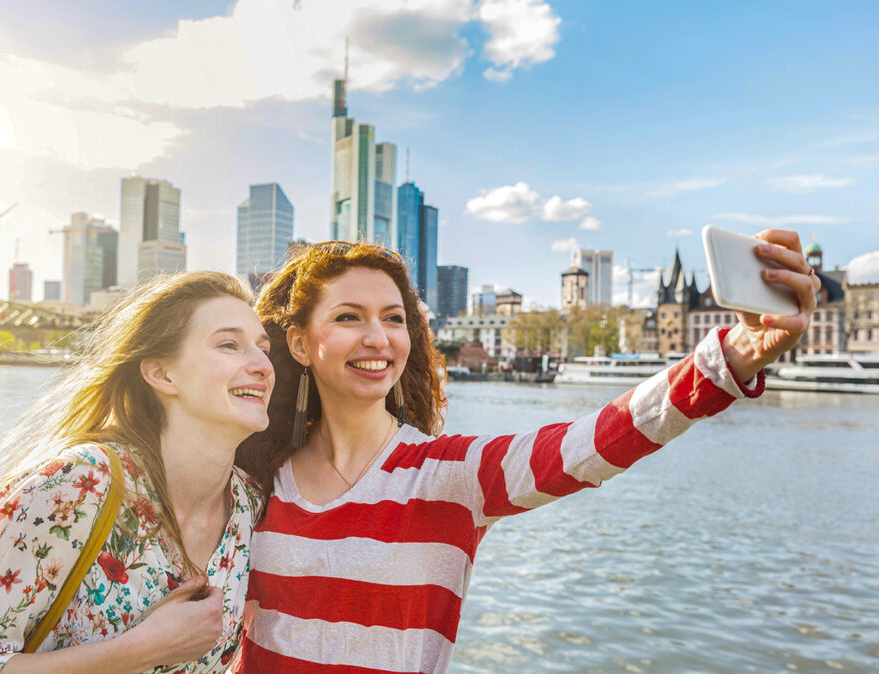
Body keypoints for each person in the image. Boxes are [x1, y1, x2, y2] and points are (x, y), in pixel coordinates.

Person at [233, 230, 819, 673]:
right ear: (299, 344)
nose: (378, 337)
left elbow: (594, 442)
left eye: (393, 318)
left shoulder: (453, 475)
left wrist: (737, 352)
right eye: (347, 317)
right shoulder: (255, 476)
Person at [0, 271, 274, 673]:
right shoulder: (77, 485)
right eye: (229, 345)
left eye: (264, 349)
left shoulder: (249, 506)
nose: (262, 365)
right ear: (161, 374)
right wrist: (139, 650)